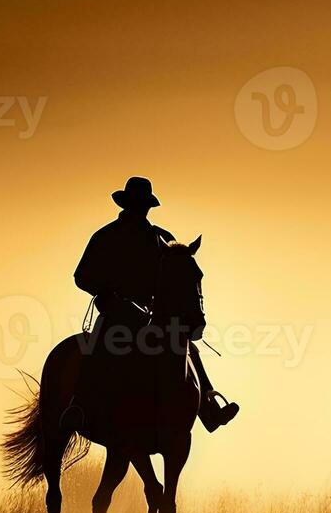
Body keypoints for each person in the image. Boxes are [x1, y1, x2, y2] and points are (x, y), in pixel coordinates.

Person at [68, 176, 239, 433]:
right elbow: (81, 276)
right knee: (98, 346)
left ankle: (208, 408)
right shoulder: (105, 237)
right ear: (128, 205)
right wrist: (108, 293)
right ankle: (77, 407)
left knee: (187, 347)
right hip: (116, 313)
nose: (142, 209)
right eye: (138, 204)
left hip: (155, 313)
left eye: (144, 204)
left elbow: (178, 277)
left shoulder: (162, 237)